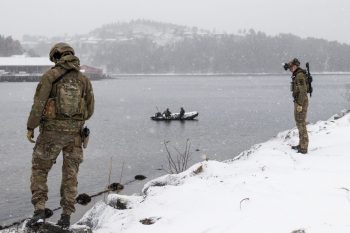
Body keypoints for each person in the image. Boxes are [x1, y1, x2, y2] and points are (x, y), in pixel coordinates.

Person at [26, 42, 95, 228]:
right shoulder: (83, 80)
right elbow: (89, 111)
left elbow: (38, 105)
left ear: (56, 56)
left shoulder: (50, 76)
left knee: (40, 171)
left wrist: (31, 126)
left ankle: (39, 211)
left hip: (50, 134)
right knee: (70, 175)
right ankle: (65, 217)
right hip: (75, 136)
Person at [287, 58, 309, 154]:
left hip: (301, 102)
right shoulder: (297, 74)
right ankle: (301, 144)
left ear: (295, 66)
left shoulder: (299, 75)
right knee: (299, 122)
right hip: (299, 101)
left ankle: (303, 147)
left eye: (291, 67)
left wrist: (300, 104)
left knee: (301, 123)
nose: (290, 69)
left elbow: (303, 91)